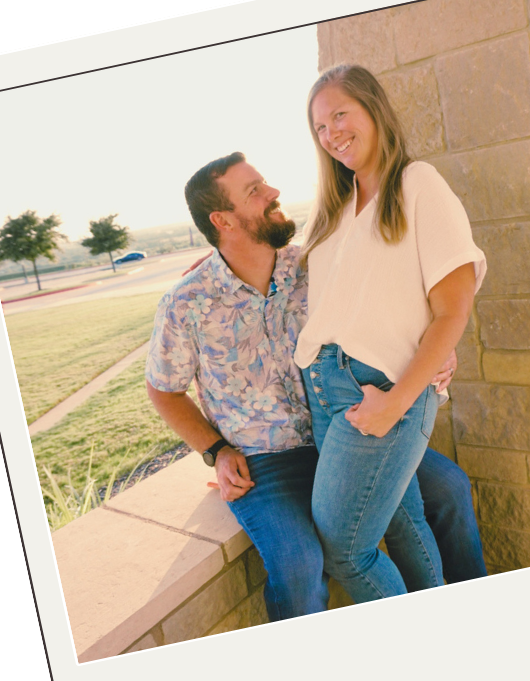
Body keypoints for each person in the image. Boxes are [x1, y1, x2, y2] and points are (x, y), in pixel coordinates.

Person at [146, 151, 485, 623]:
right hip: (267, 461)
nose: (274, 193)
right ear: (223, 220)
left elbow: (392, 304)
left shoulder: (315, 264)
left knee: (448, 488)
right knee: (300, 563)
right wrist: (216, 451)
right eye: (255, 191)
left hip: (346, 430)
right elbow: (163, 389)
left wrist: (437, 350)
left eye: (264, 183)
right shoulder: (186, 303)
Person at [294, 65, 487, 605]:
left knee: (345, 551)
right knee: (404, 529)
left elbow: (452, 311)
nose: (330, 134)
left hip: (382, 390)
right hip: (325, 388)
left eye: (339, 115)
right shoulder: (335, 207)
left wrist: (397, 402)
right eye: (319, 127)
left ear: (373, 109)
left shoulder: (417, 184)